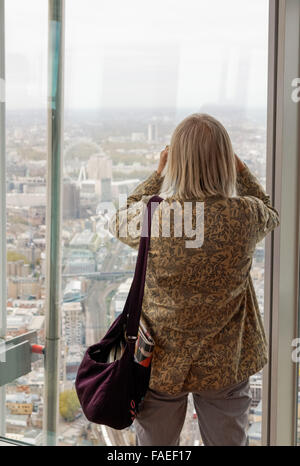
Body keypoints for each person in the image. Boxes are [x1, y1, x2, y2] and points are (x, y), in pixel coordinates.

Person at [108, 113, 280, 446]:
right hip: (225, 362)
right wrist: (242, 171)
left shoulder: (154, 216)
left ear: (177, 162)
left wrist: (157, 175)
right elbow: (268, 209)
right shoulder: (244, 214)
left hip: (159, 359)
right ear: (226, 162)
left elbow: (118, 219)